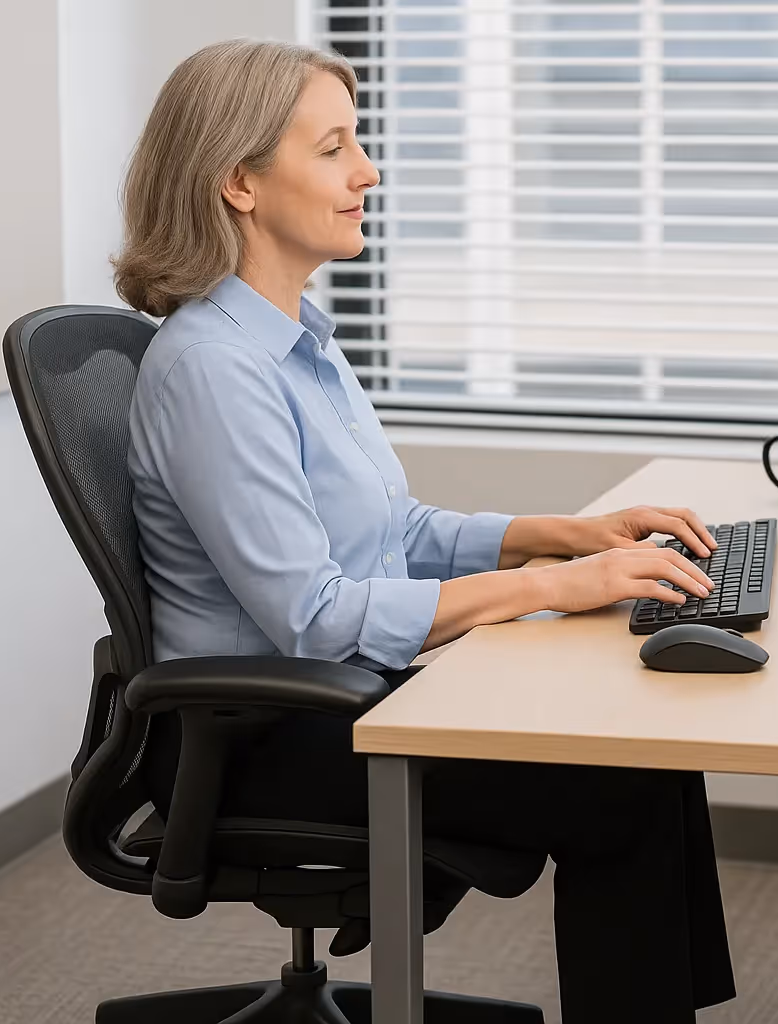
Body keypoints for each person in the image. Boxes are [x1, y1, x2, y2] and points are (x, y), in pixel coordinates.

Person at [115, 39, 736, 1022]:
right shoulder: (215, 371)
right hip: (265, 731)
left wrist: (567, 535)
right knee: (623, 789)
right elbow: (313, 614)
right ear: (239, 181)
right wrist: (545, 587)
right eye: (333, 150)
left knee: (639, 755)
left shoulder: (300, 342)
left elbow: (390, 529)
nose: (368, 171)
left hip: (349, 692)